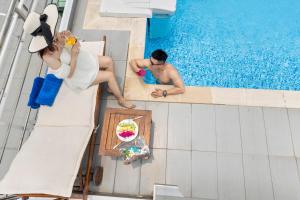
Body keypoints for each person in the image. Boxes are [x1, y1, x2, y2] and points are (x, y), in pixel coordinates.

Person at [23, 4, 134, 108]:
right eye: (53, 34)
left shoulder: (54, 34)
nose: (56, 35)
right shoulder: (48, 57)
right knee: (110, 75)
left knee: (109, 61)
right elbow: (69, 75)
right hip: (78, 75)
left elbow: (76, 44)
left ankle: (111, 87)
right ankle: (120, 99)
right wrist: (73, 55)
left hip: (83, 61)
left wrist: (71, 38)